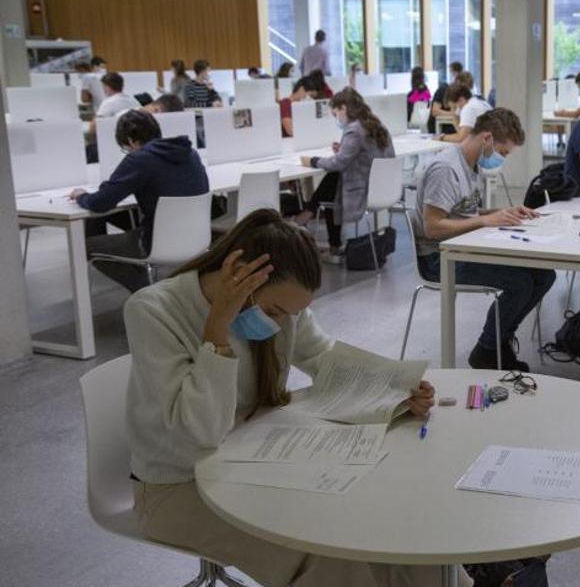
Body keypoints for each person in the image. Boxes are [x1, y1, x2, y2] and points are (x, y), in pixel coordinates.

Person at [122, 208, 469, 587]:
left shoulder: (283, 309)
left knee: (390, 524)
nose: (280, 322)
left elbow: (323, 356)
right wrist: (217, 330)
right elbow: (198, 434)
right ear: (237, 275)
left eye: (293, 314)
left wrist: (396, 388)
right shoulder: (155, 310)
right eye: (274, 311)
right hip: (177, 489)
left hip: (256, 461)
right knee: (329, 555)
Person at [413, 108, 556, 371]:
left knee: (545, 275)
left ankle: (498, 340)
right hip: (439, 258)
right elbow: (432, 227)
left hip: (465, 248)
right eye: (502, 152)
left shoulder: (471, 165)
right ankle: (487, 351)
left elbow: (464, 212)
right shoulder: (446, 169)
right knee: (520, 283)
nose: (501, 159)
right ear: (487, 138)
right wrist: (484, 221)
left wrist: (500, 213)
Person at [69, 110, 209, 292]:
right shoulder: (189, 153)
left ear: (131, 141)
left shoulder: (140, 158)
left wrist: (81, 195)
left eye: (125, 148)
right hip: (198, 237)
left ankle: (149, 293)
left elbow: (100, 202)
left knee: (88, 247)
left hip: (156, 242)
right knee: (122, 219)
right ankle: (159, 288)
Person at [295, 88, 396, 262]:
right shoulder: (376, 124)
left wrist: (312, 161)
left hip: (364, 191)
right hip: (383, 188)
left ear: (343, 108)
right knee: (334, 180)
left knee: (334, 181)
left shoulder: (354, 130)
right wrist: (343, 149)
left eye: (335, 114)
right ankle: (310, 213)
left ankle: (311, 216)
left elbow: (338, 163)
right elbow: (367, 154)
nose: (337, 119)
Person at [428, 61, 464, 134]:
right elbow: (435, 111)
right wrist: (454, 114)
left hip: (451, 124)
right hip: (439, 126)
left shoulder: (461, 94)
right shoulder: (443, 90)